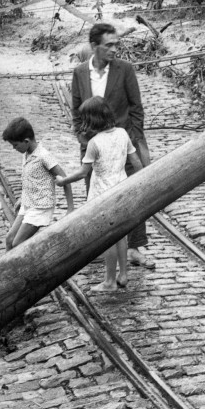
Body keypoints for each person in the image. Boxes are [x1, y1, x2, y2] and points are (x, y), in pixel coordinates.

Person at [70, 22, 155, 267]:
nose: (114, 49)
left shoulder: (125, 69)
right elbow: (76, 109)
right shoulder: (79, 73)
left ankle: (135, 247)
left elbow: (136, 107)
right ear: (94, 47)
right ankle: (99, 244)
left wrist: (134, 138)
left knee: (133, 193)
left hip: (123, 142)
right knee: (95, 194)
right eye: (109, 45)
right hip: (93, 146)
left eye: (116, 44)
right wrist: (82, 138)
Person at [59, 97, 144, 291]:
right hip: (122, 189)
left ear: (91, 120)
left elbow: (83, 173)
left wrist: (63, 181)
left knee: (107, 239)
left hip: (102, 196)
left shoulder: (94, 143)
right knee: (121, 235)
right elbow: (137, 163)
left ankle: (109, 281)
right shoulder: (123, 133)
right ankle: (123, 275)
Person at [2, 117, 74, 250]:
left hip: (40, 208)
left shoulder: (43, 156)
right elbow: (30, 179)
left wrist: (70, 208)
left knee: (18, 244)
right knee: (9, 240)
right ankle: (5, 270)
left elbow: (65, 180)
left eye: (15, 145)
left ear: (26, 141)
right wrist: (22, 197)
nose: (13, 148)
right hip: (28, 204)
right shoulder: (27, 153)